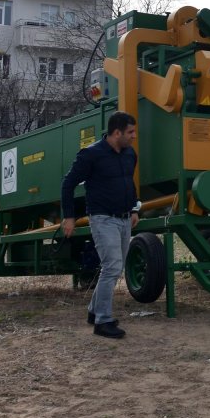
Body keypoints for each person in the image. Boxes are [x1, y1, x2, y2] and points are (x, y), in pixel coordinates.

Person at [61, 111, 140, 339]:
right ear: (117, 133)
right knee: (112, 266)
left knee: (116, 268)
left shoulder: (129, 154)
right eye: (130, 132)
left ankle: (94, 311)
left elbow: (129, 182)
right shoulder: (91, 154)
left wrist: (134, 208)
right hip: (102, 218)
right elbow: (68, 184)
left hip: (125, 219)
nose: (134, 136)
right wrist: (69, 217)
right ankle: (103, 321)